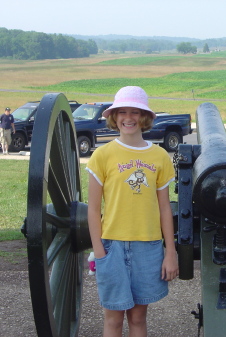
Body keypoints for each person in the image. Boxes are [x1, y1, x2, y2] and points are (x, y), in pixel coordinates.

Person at [86, 86, 179, 337]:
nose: (129, 117)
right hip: (112, 246)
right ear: (114, 117)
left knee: (138, 318)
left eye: (135, 112)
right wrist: (99, 252)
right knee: (113, 319)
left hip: (147, 246)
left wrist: (170, 252)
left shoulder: (159, 156)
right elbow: (93, 209)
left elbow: (164, 207)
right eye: (122, 112)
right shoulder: (102, 155)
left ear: (144, 117)